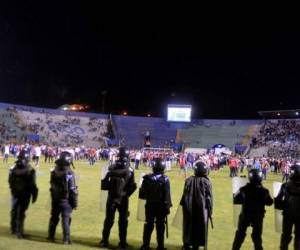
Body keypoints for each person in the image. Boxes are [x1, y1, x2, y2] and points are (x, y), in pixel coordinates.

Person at [100, 147, 137, 249]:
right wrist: (126, 194)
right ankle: (122, 243)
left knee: (108, 220)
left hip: (111, 198)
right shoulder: (130, 170)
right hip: (123, 199)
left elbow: (104, 185)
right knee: (123, 221)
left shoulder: (111, 168)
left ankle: (104, 241)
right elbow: (132, 186)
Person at [231, 168, 273, 250]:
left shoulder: (244, 189)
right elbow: (270, 202)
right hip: (258, 216)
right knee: (257, 237)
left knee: (240, 235)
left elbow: (236, 200)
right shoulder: (264, 191)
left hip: (245, 215)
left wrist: (240, 185)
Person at [139, 159, 172, 250]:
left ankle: (145, 245)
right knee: (160, 225)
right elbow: (167, 195)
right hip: (161, 206)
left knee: (148, 224)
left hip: (149, 205)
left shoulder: (146, 178)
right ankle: (160, 246)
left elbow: (142, 193)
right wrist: (168, 207)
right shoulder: (165, 179)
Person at [180, 161, 213, 250]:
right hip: (201, 209)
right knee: (199, 227)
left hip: (188, 208)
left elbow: (184, 195)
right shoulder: (206, 182)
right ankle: (196, 245)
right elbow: (209, 198)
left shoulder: (188, 180)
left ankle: (186, 244)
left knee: (188, 226)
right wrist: (210, 211)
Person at [47, 151, 78, 245]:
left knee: (54, 217)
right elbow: (73, 190)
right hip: (65, 200)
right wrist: (75, 203)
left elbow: (51, 185)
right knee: (65, 218)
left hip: (55, 198)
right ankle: (66, 239)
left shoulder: (54, 171)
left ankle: (51, 236)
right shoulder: (69, 173)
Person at [9, 149, 38, 238]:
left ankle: (14, 229)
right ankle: (19, 232)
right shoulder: (30, 170)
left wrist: (13, 189)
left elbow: (10, 181)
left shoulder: (13, 169)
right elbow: (32, 184)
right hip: (25, 194)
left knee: (14, 210)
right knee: (21, 213)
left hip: (15, 193)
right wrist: (34, 194)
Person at [275, 164, 300, 250]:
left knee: (285, 236)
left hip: (288, 215)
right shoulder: (285, 185)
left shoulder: (285, 185)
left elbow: (277, 201)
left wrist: (285, 205)